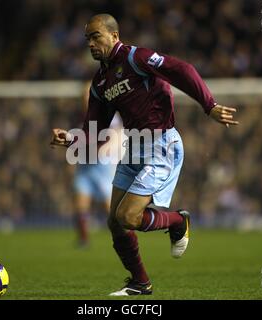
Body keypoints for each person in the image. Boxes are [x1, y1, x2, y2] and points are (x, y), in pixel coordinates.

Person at [50, 13, 239, 296]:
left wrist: (208, 104)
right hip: (134, 146)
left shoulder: (135, 58)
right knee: (114, 221)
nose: (90, 43)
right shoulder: (100, 82)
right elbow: (96, 129)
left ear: (114, 36)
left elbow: (182, 70)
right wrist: (72, 140)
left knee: (127, 216)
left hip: (161, 145)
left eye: (96, 36)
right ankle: (140, 283)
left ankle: (178, 221)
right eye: (87, 38)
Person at [72, 82, 123, 247]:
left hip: (103, 164)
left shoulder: (106, 112)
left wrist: (105, 150)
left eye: (89, 93)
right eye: (84, 94)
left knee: (108, 207)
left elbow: (116, 133)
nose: (86, 97)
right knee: (80, 202)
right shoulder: (79, 115)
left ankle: (122, 237)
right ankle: (83, 239)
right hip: (85, 165)